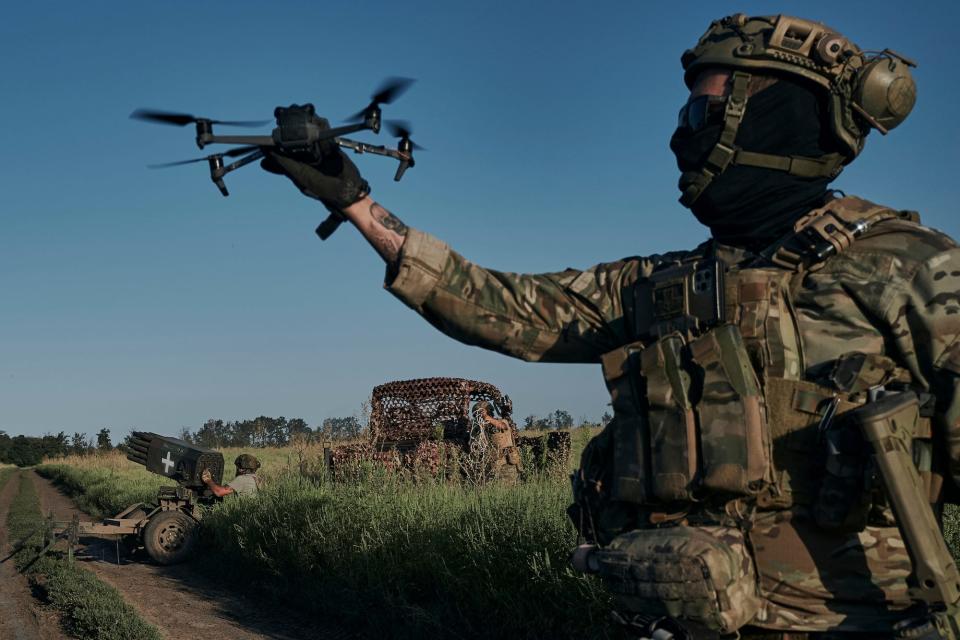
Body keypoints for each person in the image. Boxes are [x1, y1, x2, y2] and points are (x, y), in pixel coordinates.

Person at [261, 14, 959, 638]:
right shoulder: (664, 288)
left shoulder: (910, 268)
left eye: (703, 109)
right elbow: (501, 308)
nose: (682, 133)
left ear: (778, 115)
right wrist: (354, 202)